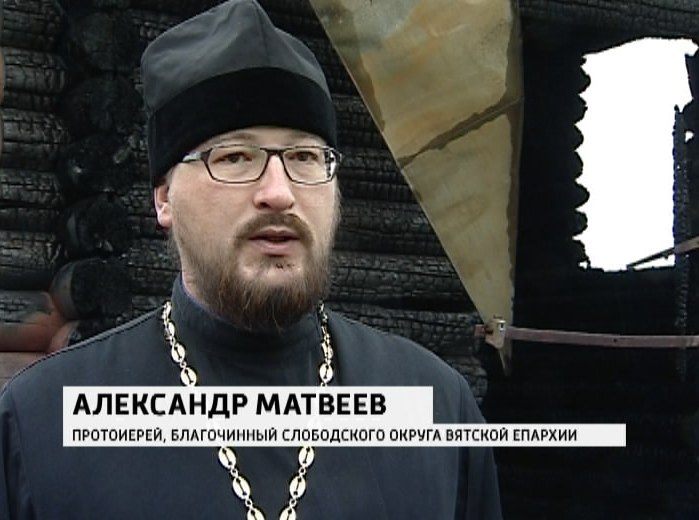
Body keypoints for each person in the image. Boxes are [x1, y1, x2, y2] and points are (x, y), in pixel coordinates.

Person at [0, 1, 502, 518]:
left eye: (305, 157)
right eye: (235, 157)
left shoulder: (436, 407)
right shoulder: (41, 425)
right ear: (164, 199)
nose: (279, 192)